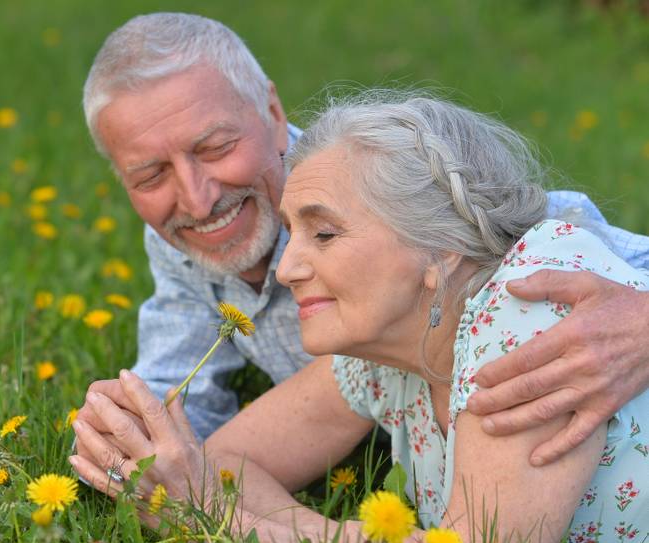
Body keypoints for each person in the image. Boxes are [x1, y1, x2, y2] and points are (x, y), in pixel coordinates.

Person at [70, 93, 649, 543]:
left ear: (440, 247)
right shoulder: (393, 345)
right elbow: (227, 462)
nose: (286, 268)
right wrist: (254, 519)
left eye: (323, 233)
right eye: (292, 233)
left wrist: (218, 522)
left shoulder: (531, 303)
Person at [79, 12, 649, 464]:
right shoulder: (185, 234)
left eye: (216, 148)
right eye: (151, 176)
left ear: (274, 114)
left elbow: (528, 228)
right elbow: (184, 400)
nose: (198, 199)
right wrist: (131, 436)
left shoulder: (369, 181)